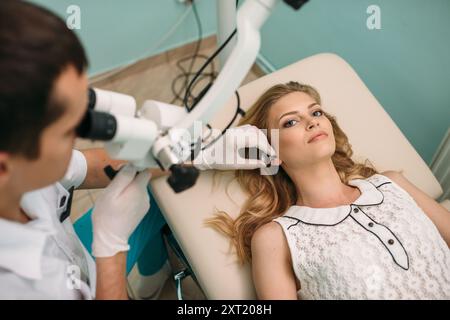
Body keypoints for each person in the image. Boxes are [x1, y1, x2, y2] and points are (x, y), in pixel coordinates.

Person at [0, 0, 274, 299]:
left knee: (156, 196)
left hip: (72, 254)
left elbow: (91, 167)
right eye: (70, 131)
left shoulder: (17, 154)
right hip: (87, 281)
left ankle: (150, 284)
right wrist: (110, 250)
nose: (83, 134)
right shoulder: (19, 288)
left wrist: (203, 150)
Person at [208, 81, 450, 299]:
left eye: (316, 112)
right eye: (291, 122)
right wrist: (211, 152)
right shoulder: (277, 237)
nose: (312, 121)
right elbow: (173, 158)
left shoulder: (392, 183)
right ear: (269, 150)